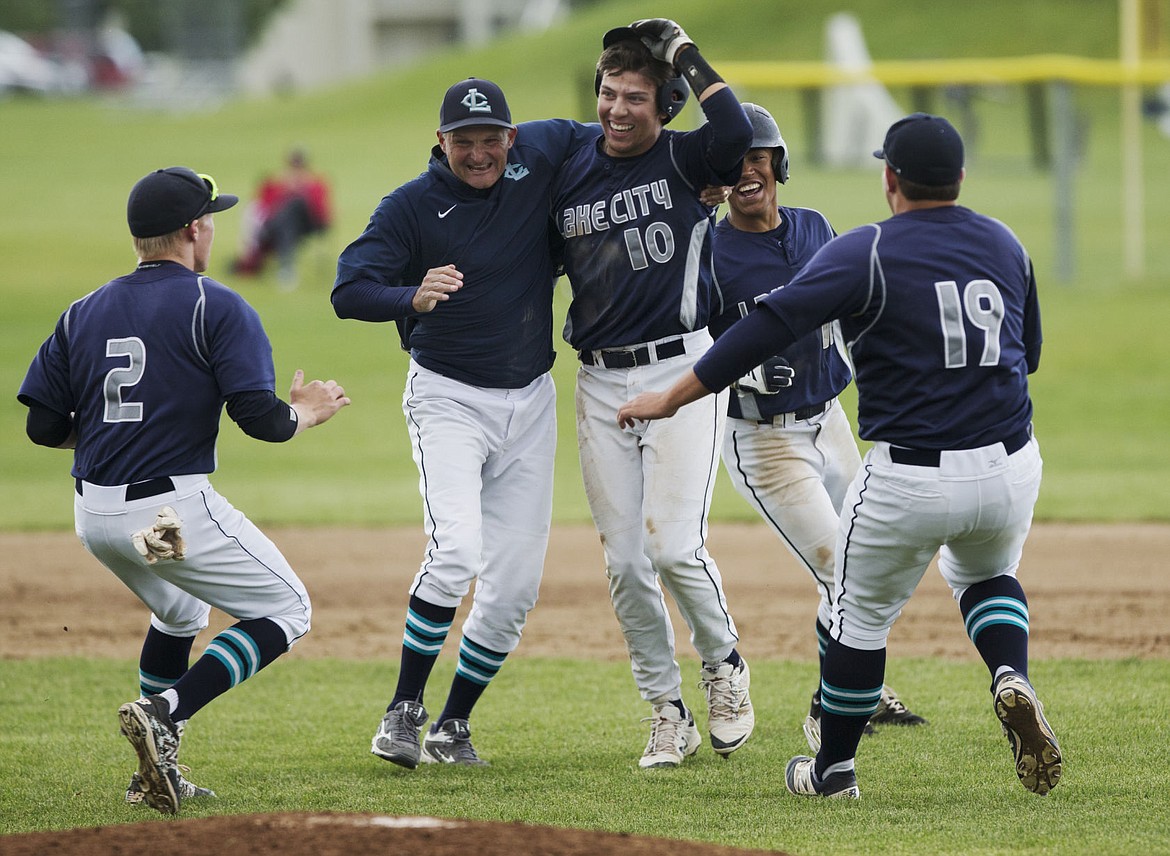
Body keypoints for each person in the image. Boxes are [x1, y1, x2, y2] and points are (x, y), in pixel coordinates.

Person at [617, 113, 1061, 799]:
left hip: (906, 469)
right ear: (962, 178)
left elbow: (768, 324)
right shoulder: (1005, 242)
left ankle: (833, 767)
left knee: (856, 612)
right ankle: (1010, 675)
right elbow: (1025, 355)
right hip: (1008, 462)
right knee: (985, 575)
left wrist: (674, 397)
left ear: (890, 179)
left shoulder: (864, 246)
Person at [17, 166, 351, 814]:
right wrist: (306, 411)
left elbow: (42, 427)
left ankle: (153, 772)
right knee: (287, 611)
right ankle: (165, 712)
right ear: (195, 229)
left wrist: (120, 434)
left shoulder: (81, 310)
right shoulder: (214, 303)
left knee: (179, 612)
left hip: (100, 521)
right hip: (168, 512)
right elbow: (261, 419)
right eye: (211, 219)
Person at [332, 78, 599, 768]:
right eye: (464, 141)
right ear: (440, 141)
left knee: (514, 587)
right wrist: (409, 294)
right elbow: (348, 288)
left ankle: (453, 726)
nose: (478, 153)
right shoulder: (411, 206)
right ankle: (403, 709)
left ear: (511, 138)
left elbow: (618, 134)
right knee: (455, 552)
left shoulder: (539, 155)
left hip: (531, 401)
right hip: (448, 398)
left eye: (490, 139)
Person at [549, 19, 755, 768]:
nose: (617, 109)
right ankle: (666, 709)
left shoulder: (686, 155)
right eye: (608, 93)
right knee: (626, 561)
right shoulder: (570, 162)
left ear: (663, 103)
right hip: (600, 378)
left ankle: (724, 665)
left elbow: (733, 122)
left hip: (682, 370)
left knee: (673, 543)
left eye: (635, 96)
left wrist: (682, 51)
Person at [705, 102, 926, 750]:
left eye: (758, 156)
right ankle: (834, 701)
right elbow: (688, 342)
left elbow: (850, 304)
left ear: (778, 162)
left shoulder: (813, 227)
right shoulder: (709, 254)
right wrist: (742, 375)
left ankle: (857, 684)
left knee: (874, 558)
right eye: (735, 161)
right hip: (764, 441)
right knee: (841, 567)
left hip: (828, 421)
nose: (748, 171)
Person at [234, 148, 333, 286]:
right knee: (287, 219)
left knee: (295, 207)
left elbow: (323, 215)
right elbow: (262, 208)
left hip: (307, 224)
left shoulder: (315, 184)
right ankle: (286, 269)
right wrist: (286, 193)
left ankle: (286, 269)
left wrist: (302, 192)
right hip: (275, 225)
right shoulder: (275, 183)